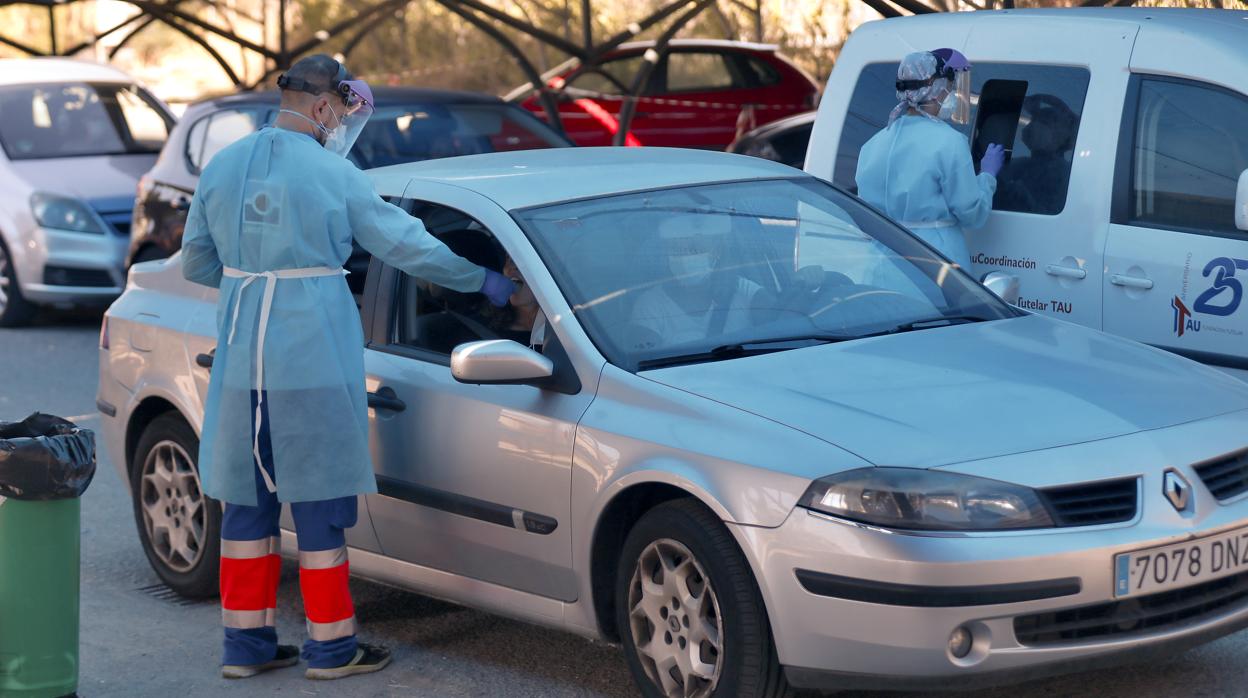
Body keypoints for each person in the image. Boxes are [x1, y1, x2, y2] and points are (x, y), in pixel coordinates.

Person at [180, 54, 514, 681]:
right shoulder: (335, 175)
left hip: (239, 362)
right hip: (309, 357)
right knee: (319, 504)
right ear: (326, 106)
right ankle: (332, 649)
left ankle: (244, 648)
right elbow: (408, 245)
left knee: (246, 507)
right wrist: (489, 284)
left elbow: (196, 263)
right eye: (343, 109)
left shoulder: (222, 167)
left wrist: (250, 272)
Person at [854, 49, 1005, 269]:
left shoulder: (873, 144)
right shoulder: (950, 142)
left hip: (882, 263)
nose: (951, 94)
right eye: (949, 88)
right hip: (934, 262)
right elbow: (972, 213)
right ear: (936, 90)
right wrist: (988, 177)